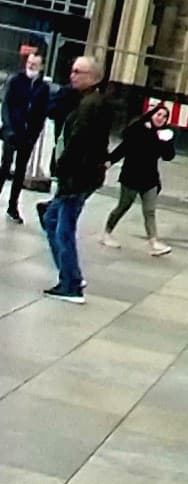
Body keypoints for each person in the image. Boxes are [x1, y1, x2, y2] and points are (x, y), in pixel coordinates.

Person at [37, 55, 113, 300]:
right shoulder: (87, 101)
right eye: (72, 70)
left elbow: (79, 142)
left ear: (93, 77)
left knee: (62, 227)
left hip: (77, 177)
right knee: (52, 219)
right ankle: (70, 277)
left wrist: (63, 169)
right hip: (81, 175)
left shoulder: (90, 105)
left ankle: (71, 283)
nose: (72, 75)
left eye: (78, 72)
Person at [105, 96, 173, 254]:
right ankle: (107, 232)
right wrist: (109, 161)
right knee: (123, 206)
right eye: (159, 115)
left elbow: (168, 156)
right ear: (152, 114)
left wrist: (166, 141)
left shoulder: (163, 134)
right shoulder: (138, 128)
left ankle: (153, 242)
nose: (161, 118)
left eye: (165, 117)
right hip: (131, 176)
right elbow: (124, 147)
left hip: (150, 179)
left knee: (149, 211)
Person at [4, 40, 48, 223]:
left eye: (35, 65)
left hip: (27, 136)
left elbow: (41, 114)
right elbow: (6, 105)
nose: (31, 67)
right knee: (5, 165)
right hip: (12, 131)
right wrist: (9, 128)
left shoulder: (42, 87)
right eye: (29, 63)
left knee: (20, 171)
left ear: (41, 67)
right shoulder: (16, 81)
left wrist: (33, 136)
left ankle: (12, 206)